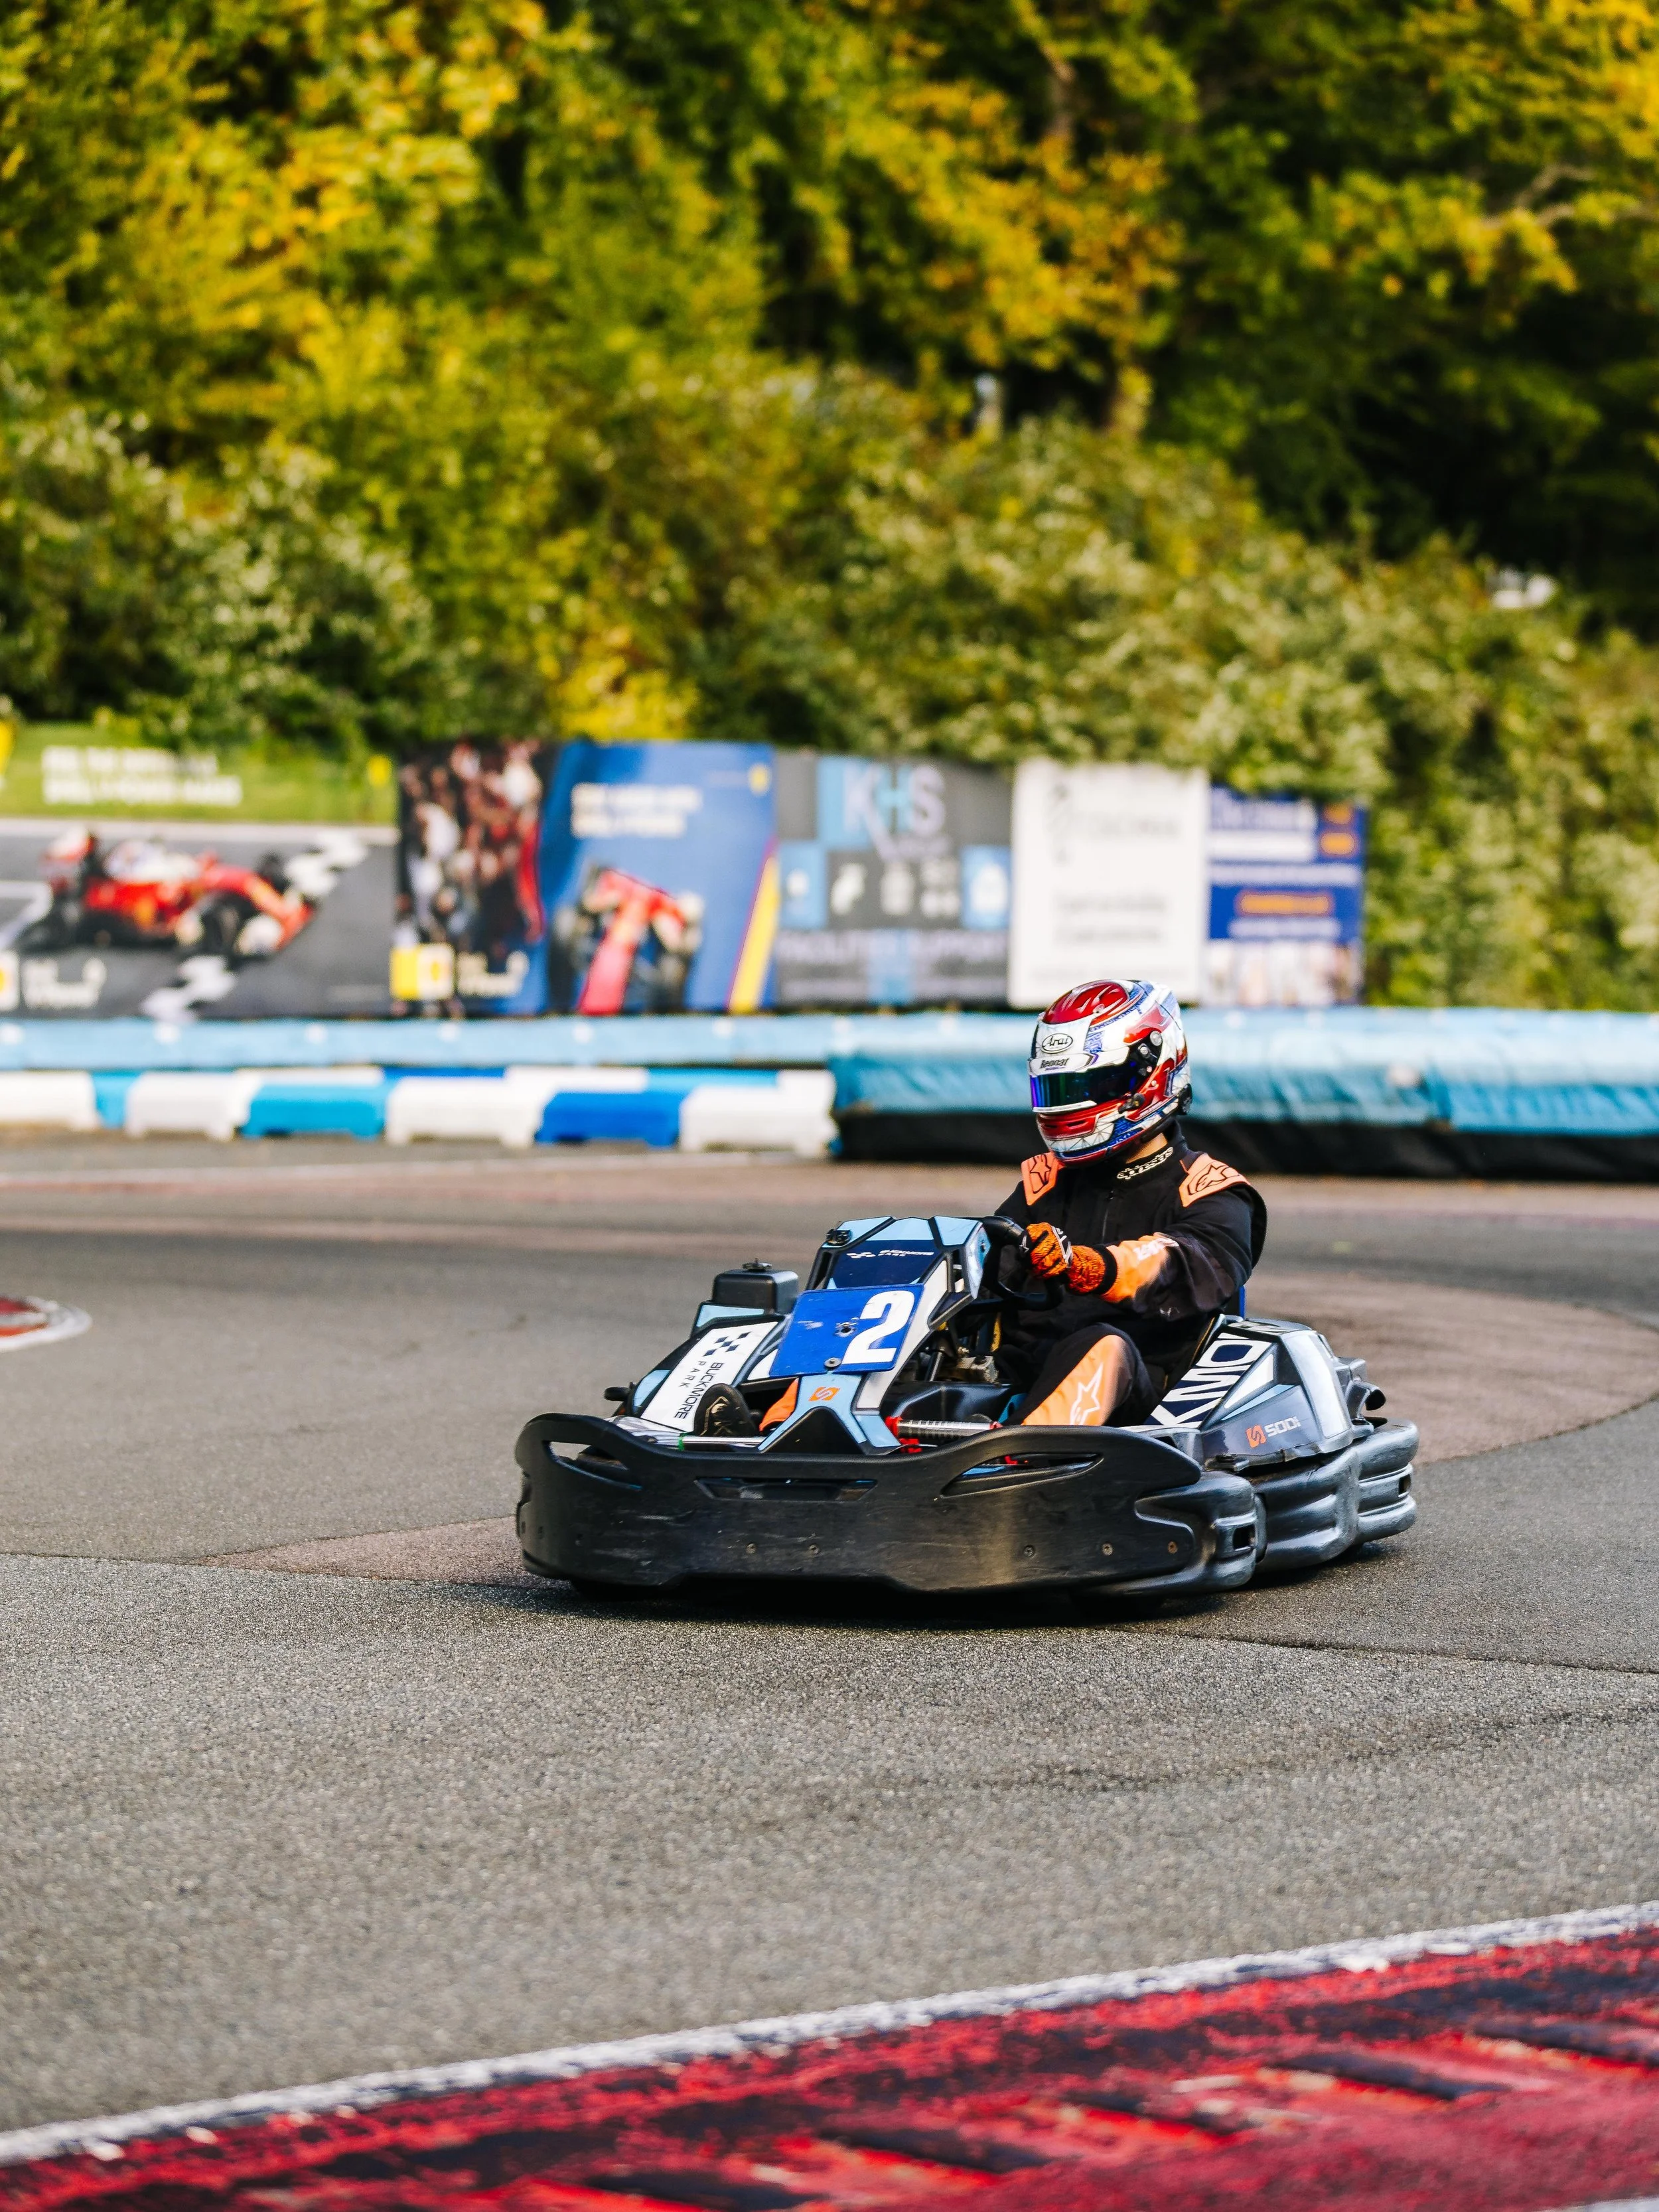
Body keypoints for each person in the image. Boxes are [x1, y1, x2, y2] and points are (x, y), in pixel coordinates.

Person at [997, 978, 1267, 1428]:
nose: (1068, 1107)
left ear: (1150, 1076)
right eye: (1058, 1090)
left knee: (1103, 1346)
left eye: (1087, 1085)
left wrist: (1087, 1264)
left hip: (1146, 1408)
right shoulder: (1044, 1184)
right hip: (1023, 1382)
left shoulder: (1212, 1190)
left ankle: (1009, 1471)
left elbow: (1177, 1265)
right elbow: (988, 1258)